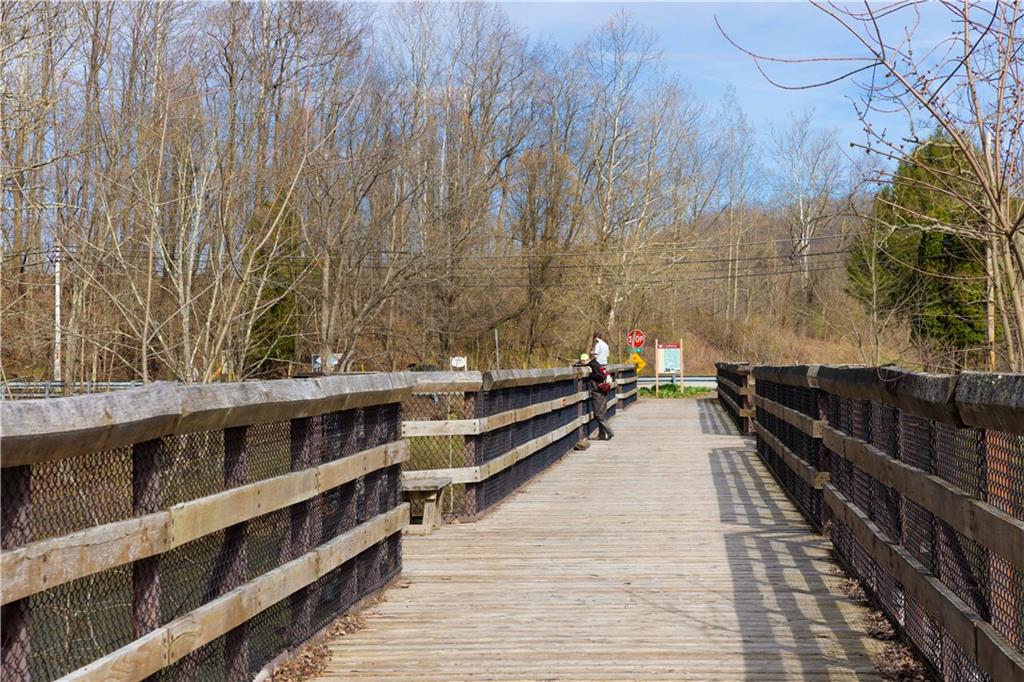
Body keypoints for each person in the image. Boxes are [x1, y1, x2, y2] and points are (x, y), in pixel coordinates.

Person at [577, 353, 614, 441]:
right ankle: (601, 435)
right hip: (603, 391)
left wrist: (591, 374)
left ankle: (609, 431)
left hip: (598, 392)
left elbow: (600, 376)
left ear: (584, 361)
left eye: (582, 362)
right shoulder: (596, 363)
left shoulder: (592, 366)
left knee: (598, 414)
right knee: (602, 413)